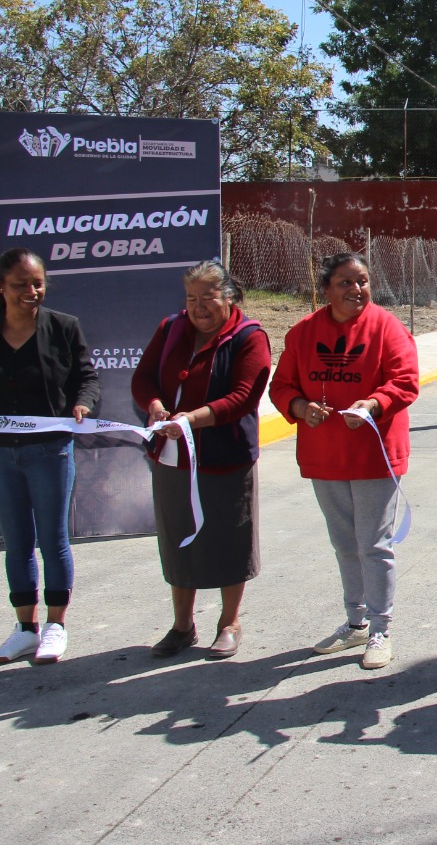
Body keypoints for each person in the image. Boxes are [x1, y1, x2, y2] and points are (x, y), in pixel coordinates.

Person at [271, 253, 419, 671]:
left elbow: (405, 381)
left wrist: (372, 404)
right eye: (345, 283)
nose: (357, 290)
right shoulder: (303, 333)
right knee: (344, 544)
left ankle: (380, 629)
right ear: (326, 289)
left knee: (373, 544)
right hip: (326, 458)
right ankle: (354, 622)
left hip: (374, 455)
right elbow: (281, 385)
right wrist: (300, 407)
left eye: (363, 281)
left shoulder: (386, 326)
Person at [131, 261, 271, 660]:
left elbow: (243, 396)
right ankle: (182, 625)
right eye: (191, 298)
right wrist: (156, 407)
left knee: (229, 537)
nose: (198, 307)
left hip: (224, 456)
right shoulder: (170, 328)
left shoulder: (249, 337)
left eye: (207, 297)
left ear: (228, 296)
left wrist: (192, 419)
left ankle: (229, 622)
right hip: (173, 456)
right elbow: (142, 380)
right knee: (179, 537)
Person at [0, 249, 99, 665]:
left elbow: (87, 379)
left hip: (49, 449)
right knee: (17, 542)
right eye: (21, 284)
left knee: (52, 539)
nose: (32, 291)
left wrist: (82, 405)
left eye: (38, 283)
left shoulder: (63, 327)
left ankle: (56, 625)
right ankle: (26, 629)